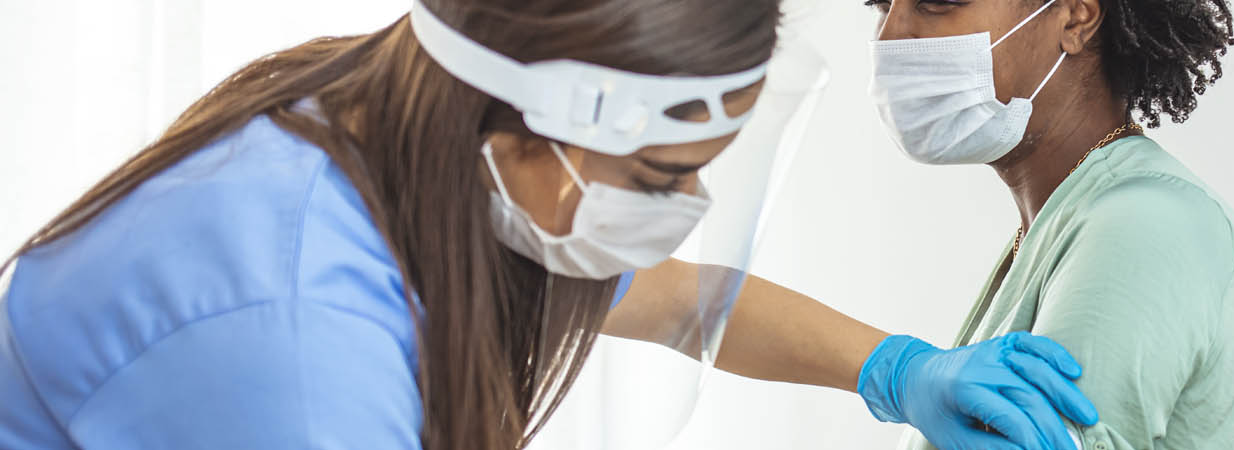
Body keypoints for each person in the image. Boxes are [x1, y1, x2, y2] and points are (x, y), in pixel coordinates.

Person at [0, 1, 1096, 449]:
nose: (670, 220)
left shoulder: (403, 148)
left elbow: (676, 301)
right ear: (534, 123)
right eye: (660, 178)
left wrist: (903, 373)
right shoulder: (296, 343)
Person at [861, 0, 1234, 448]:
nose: (890, 35)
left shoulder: (1142, 223)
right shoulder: (1061, 222)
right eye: (882, 5)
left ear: (1075, 16)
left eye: (937, 2)